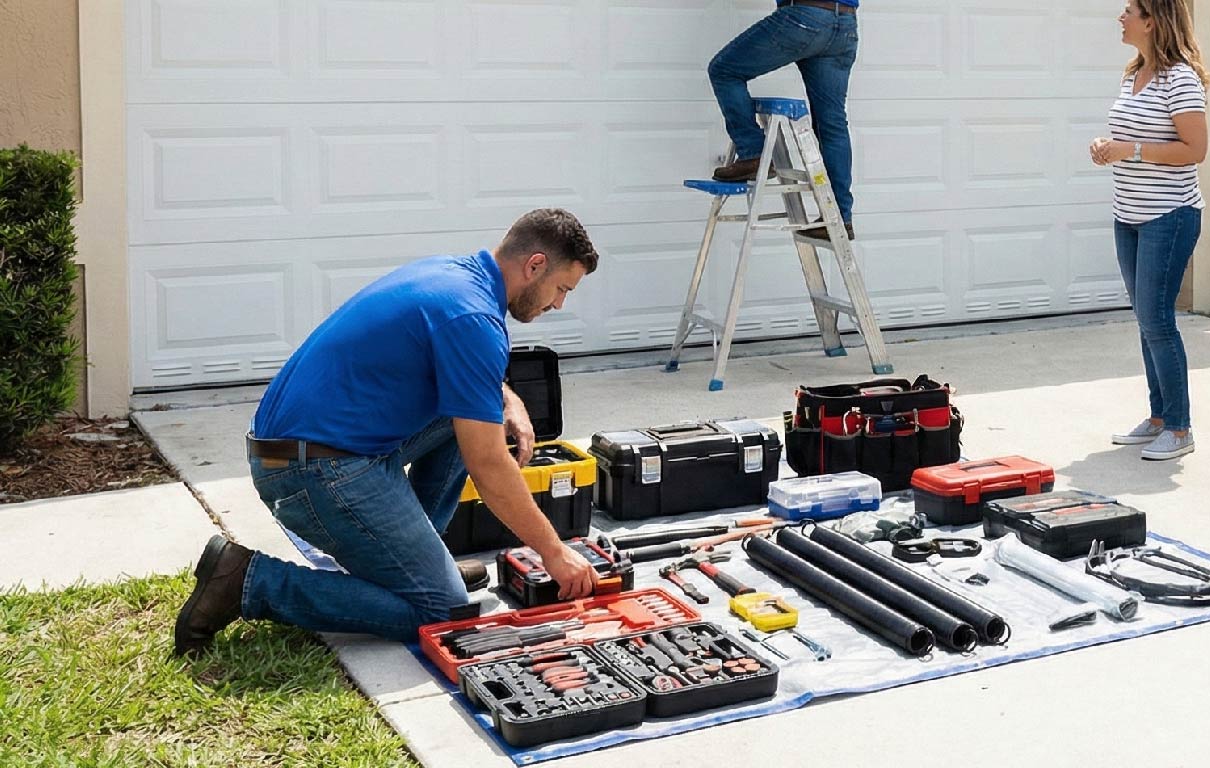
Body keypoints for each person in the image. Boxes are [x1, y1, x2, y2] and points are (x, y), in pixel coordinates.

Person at [173, 209, 601, 656]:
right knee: (442, 610)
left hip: (305, 449)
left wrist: (506, 397)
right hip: (307, 470)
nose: (558, 304)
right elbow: (489, 465)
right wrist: (554, 552)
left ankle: (413, 561)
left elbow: (462, 364)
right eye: (561, 289)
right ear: (534, 265)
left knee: (478, 411)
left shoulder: (454, 277)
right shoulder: (473, 318)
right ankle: (247, 580)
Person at [1090, 0, 1210, 461]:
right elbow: (1129, 137)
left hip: (1171, 216)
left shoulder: (1180, 79)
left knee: (1158, 320)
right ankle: (1159, 417)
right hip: (1130, 215)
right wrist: (1106, 147)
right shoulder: (1133, 73)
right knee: (1146, 319)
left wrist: (1130, 150)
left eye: (1130, 10)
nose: (1121, 17)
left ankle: (1180, 429)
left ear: (1153, 19)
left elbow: (1194, 149)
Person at [707, 0, 859, 240]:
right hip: (845, 24)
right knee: (833, 124)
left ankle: (753, 154)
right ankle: (840, 218)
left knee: (724, 71)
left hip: (805, 17)